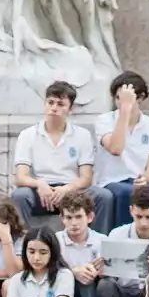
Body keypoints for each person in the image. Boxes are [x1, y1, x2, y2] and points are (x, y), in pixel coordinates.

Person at [12, 81, 112, 233]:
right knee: (20, 196)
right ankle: (24, 245)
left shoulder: (82, 135)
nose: (54, 108)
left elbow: (86, 178)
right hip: (41, 191)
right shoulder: (28, 135)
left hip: (71, 189)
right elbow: (21, 177)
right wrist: (40, 184)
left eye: (60, 104)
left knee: (103, 196)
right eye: (50, 102)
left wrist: (66, 189)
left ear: (70, 109)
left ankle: (97, 245)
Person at [94, 71, 149, 229]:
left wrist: (146, 178)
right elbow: (115, 148)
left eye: (127, 99)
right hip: (112, 181)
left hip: (139, 181)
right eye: (118, 98)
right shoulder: (104, 121)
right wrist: (125, 111)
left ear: (140, 98)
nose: (121, 103)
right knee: (125, 193)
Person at [55, 189, 106, 297]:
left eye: (78, 217)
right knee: (70, 278)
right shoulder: (55, 241)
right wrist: (72, 272)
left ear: (90, 217)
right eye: (69, 217)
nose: (74, 223)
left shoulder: (101, 240)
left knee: (88, 280)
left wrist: (100, 272)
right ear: (62, 219)